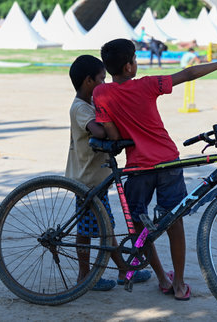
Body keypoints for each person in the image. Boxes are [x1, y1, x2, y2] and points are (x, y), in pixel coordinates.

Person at [93, 38, 217, 300]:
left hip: (137, 167)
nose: (137, 63)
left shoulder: (101, 93)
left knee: (140, 227)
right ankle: (179, 284)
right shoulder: (148, 84)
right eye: (135, 60)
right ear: (129, 67)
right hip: (167, 162)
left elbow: (112, 132)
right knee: (174, 222)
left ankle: (162, 278)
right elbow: (188, 74)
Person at [65, 55, 151, 291]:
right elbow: (98, 131)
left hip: (94, 179)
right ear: (89, 81)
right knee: (96, 230)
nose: (105, 82)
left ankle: (122, 269)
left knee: (101, 228)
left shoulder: (89, 104)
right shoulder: (80, 108)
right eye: (102, 78)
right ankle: (87, 276)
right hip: (87, 180)